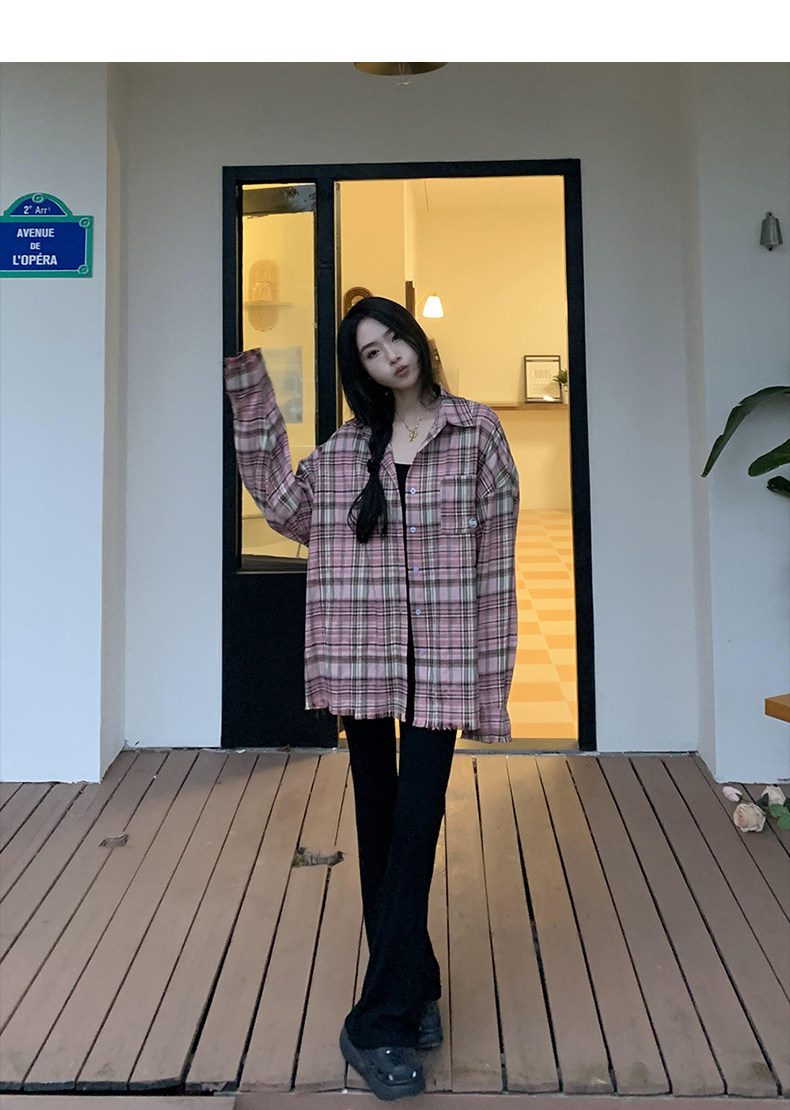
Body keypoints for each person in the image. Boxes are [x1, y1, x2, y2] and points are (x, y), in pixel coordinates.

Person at [223, 296, 519, 1101]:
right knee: (380, 824)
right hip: (362, 653)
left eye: (395, 338)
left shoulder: (477, 433)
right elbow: (285, 508)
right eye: (372, 351)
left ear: (416, 338)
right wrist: (251, 394)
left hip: (443, 664)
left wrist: (488, 677)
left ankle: (375, 1020)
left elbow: (496, 563)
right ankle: (413, 983)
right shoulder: (350, 449)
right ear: (361, 372)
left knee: (416, 827)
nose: (392, 355)